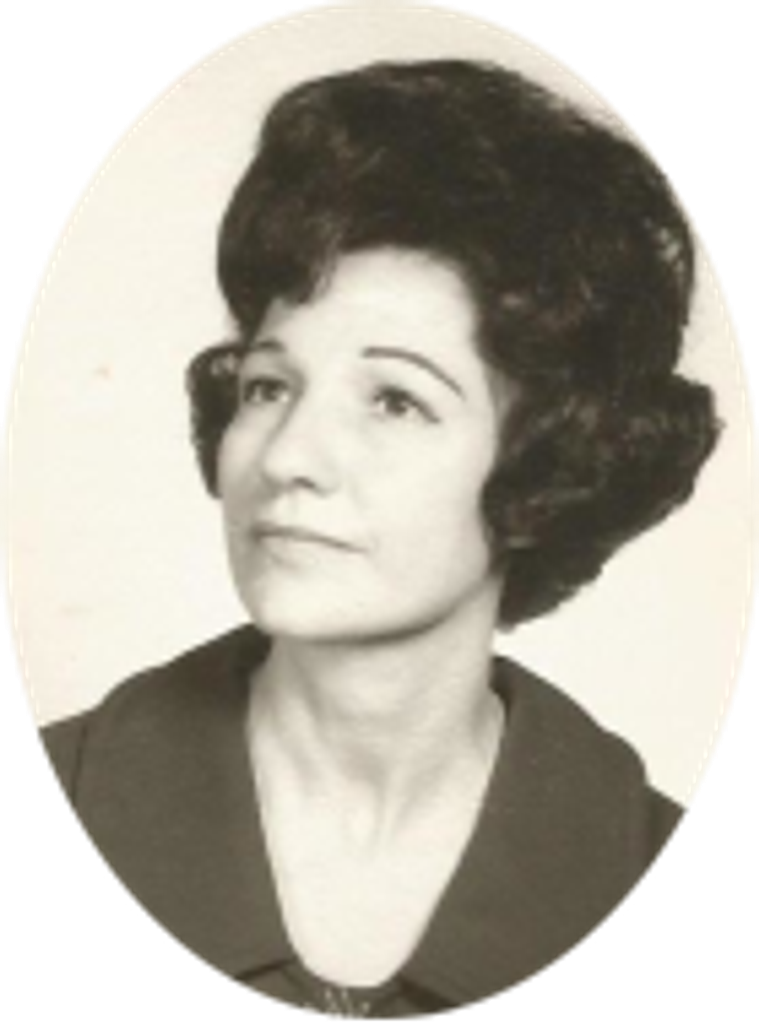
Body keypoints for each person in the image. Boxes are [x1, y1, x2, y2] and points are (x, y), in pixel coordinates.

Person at [35, 59, 719, 1017]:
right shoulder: (72, 791)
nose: (287, 456)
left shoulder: (638, 864)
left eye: (395, 400)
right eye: (268, 386)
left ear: (550, 465)